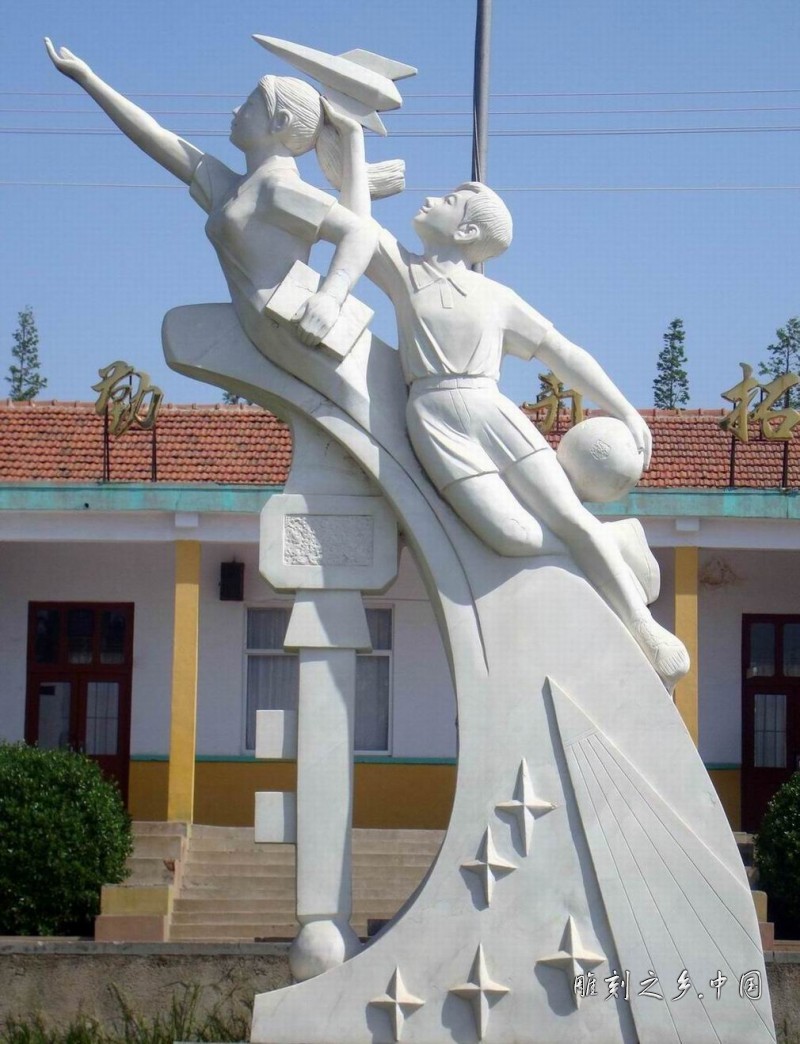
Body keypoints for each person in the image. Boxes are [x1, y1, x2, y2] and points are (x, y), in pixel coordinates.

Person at [322, 106, 689, 690]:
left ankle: (644, 629)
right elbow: (355, 223)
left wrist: (621, 406)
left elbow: (563, 353)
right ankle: (615, 547)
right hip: (434, 415)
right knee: (510, 534)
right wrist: (350, 137)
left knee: (570, 516)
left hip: (492, 409)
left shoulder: (496, 298)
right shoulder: (404, 272)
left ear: (468, 233)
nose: (430, 200)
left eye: (448, 201)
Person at [44, 39, 389, 349]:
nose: (236, 111)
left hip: (296, 334)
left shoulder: (278, 188)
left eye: (249, 105)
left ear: (280, 122)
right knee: (180, 332)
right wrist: (88, 80)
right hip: (256, 331)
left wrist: (330, 298)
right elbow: (156, 136)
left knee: (183, 334)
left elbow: (360, 231)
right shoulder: (234, 187)